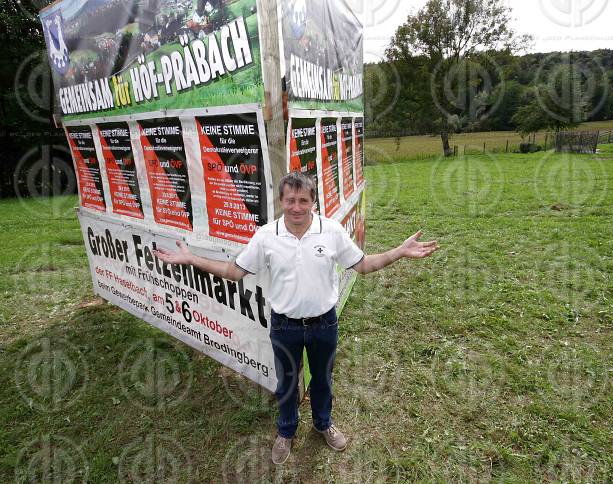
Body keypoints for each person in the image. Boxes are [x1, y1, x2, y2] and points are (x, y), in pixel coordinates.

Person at [154, 172, 439, 465]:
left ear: (313, 202)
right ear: (281, 202)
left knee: (322, 379)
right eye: (290, 200)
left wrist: (400, 252)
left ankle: (322, 422)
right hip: (284, 326)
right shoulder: (266, 236)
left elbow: (364, 265)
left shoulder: (331, 231)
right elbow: (233, 271)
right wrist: (191, 259)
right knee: (287, 383)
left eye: (304, 200)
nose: (297, 207)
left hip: (324, 324)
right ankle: (286, 431)